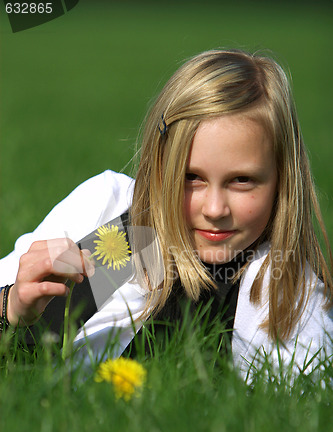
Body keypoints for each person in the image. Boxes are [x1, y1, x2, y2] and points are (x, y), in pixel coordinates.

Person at [0, 49, 332, 381]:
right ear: (160, 166)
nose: (215, 209)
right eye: (192, 177)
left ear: (283, 180)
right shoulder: (116, 220)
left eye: (241, 180)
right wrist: (12, 307)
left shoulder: (278, 290)